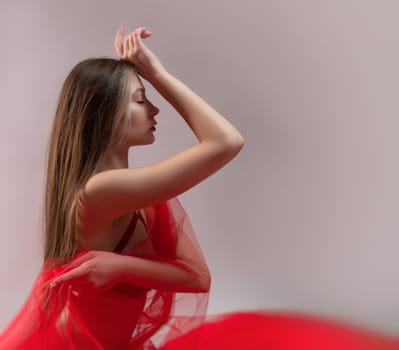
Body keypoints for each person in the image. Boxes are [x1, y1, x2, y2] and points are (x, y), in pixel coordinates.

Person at [1, 25, 398, 350]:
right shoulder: (101, 192)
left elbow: (197, 277)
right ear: (106, 116)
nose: (154, 110)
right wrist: (155, 70)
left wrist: (119, 266)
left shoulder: (135, 195)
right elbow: (226, 141)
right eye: (141, 100)